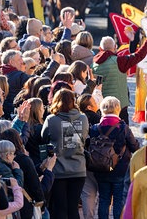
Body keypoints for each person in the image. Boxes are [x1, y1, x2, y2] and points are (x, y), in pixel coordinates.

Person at [41, 89, 88, 219]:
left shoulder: (51, 119)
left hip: (58, 169)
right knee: (73, 208)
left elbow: (43, 137)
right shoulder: (83, 118)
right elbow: (84, 138)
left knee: (60, 208)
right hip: (78, 168)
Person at [89, 96, 139, 219]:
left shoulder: (95, 128)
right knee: (118, 200)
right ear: (118, 109)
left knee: (104, 199)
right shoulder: (123, 127)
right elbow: (134, 147)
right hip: (120, 169)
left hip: (101, 168)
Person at [92, 30, 147, 122]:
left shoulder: (93, 63)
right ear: (115, 47)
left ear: (100, 49)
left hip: (101, 105)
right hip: (119, 106)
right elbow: (139, 55)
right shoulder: (119, 61)